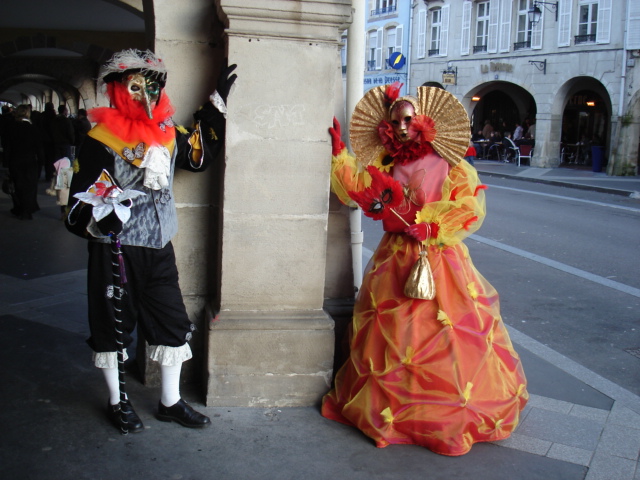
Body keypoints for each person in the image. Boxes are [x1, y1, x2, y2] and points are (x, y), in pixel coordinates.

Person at [322, 83, 528, 456]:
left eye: (407, 119)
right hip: (395, 257)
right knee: (398, 332)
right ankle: (398, 409)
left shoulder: (448, 161)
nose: (400, 127)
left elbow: (469, 205)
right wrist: (340, 155)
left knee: (441, 330)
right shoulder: (387, 161)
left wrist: (434, 227)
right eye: (394, 121)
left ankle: (441, 410)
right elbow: (362, 190)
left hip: (439, 258)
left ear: (423, 122)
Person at [65, 49, 237, 433]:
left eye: (153, 86)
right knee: (112, 326)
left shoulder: (167, 133)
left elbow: (198, 157)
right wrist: (104, 211)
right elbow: (77, 207)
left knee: (171, 321)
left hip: (159, 247)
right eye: (136, 87)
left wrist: (216, 106)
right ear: (118, 90)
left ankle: (170, 402)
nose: (146, 95)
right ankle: (118, 402)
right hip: (117, 249)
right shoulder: (100, 140)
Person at [4, 104, 44, 220]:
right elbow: (39, 147)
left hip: (15, 161)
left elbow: (7, 147)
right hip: (30, 161)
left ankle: (19, 208)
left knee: (17, 185)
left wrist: (6, 164)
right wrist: (41, 161)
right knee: (29, 186)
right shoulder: (33, 128)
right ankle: (27, 209)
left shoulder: (11, 127)